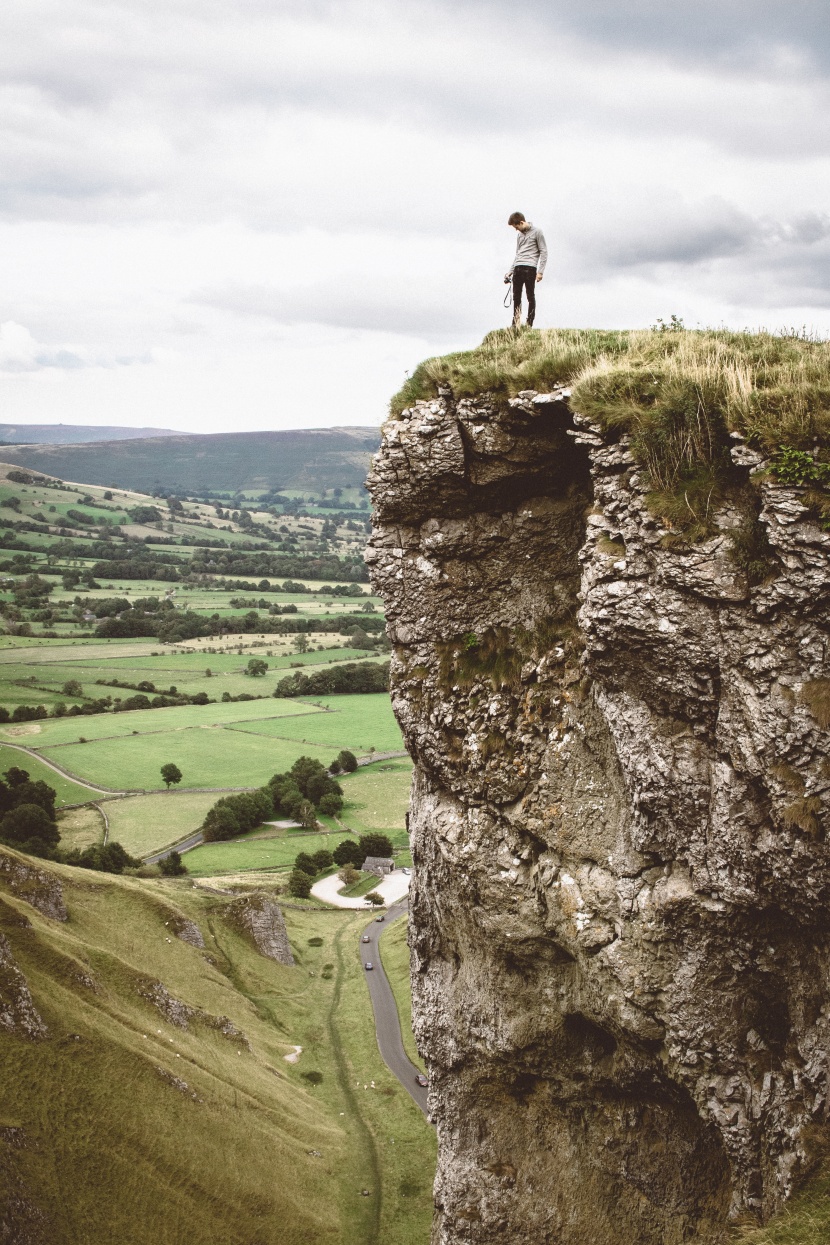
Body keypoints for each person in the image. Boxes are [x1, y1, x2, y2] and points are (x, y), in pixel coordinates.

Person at [504, 212, 547, 327]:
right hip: (518, 268)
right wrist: (510, 271)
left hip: (530, 268)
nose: (516, 230)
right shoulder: (519, 236)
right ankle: (515, 324)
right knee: (516, 297)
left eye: (516, 227)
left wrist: (540, 272)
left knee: (530, 296)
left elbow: (544, 251)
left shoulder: (537, 232)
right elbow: (517, 254)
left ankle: (529, 323)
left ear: (522, 222)